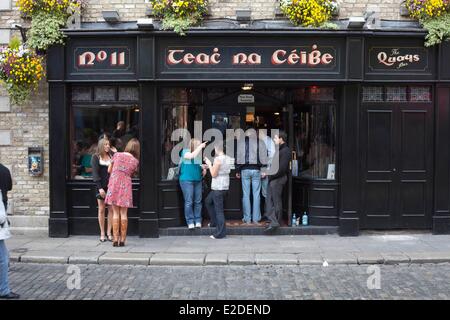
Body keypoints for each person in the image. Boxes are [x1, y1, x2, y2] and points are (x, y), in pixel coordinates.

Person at [105, 138, 140, 247]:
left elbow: (109, 170)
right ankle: (123, 240)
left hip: (114, 183)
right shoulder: (135, 161)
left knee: (115, 213)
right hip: (126, 185)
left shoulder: (117, 155)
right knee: (124, 214)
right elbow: (132, 173)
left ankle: (115, 239)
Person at [236, 127, 266, 225]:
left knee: (246, 195)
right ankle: (256, 219)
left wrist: (238, 170)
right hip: (256, 169)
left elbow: (238, 156)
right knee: (256, 195)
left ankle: (247, 219)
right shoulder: (260, 142)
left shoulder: (241, 143)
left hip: (245, 170)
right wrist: (263, 170)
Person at [263, 130, 291, 233]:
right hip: (274, 179)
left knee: (276, 201)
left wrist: (269, 174)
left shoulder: (286, 151)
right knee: (269, 200)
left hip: (277, 179)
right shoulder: (280, 150)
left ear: (281, 139)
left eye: (275, 138)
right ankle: (273, 221)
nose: (274, 140)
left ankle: (276, 222)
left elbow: (282, 169)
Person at [204, 143, 232, 239]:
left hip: (218, 187)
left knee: (219, 211)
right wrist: (210, 166)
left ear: (216, 148)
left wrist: (209, 164)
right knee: (208, 201)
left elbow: (213, 174)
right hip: (224, 186)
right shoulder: (228, 158)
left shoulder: (218, 159)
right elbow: (222, 169)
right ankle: (214, 222)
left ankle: (220, 233)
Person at [179, 139, 207, 229]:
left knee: (198, 201)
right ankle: (190, 221)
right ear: (194, 145)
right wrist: (200, 146)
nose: (200, 146)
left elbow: (196, 166)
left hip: (197, 180)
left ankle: (198, 220)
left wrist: (203, 168)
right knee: (189, 201)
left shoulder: (197, 155)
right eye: (198, 145)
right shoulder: (185, 151)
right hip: (186, 180)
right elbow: (190, 156)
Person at [91, 138, 114, 242]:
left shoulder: (111, 156)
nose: (107, 146)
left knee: (111, 210)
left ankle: (109, 232)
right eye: (105, 144)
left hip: (111, 186)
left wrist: (116, 153)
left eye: (108, 144)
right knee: (101, 209)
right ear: (101, 146)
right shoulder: (95, 157)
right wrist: (100, 188)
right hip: (100, 186)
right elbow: (95, 174)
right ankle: (102, 233)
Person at [258, 129, 275, 220]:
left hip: (265, 171)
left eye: (258, 133)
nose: (257, 134)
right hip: (260, 171)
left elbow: (271, 156)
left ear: (261, 133)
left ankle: (267, 214)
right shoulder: (262, 141)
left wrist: (266, 171)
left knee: (266, 193)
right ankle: (263, 214)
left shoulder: (268, 141)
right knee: (261, 193)